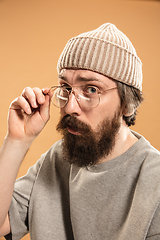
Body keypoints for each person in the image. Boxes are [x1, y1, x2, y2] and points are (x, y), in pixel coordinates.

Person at [0, 23, 160, 240]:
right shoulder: (57, 158)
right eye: (65, 88)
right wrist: (17, 140)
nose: (69, 107)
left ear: (127, 103)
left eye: (91, 89)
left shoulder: (154, 181)